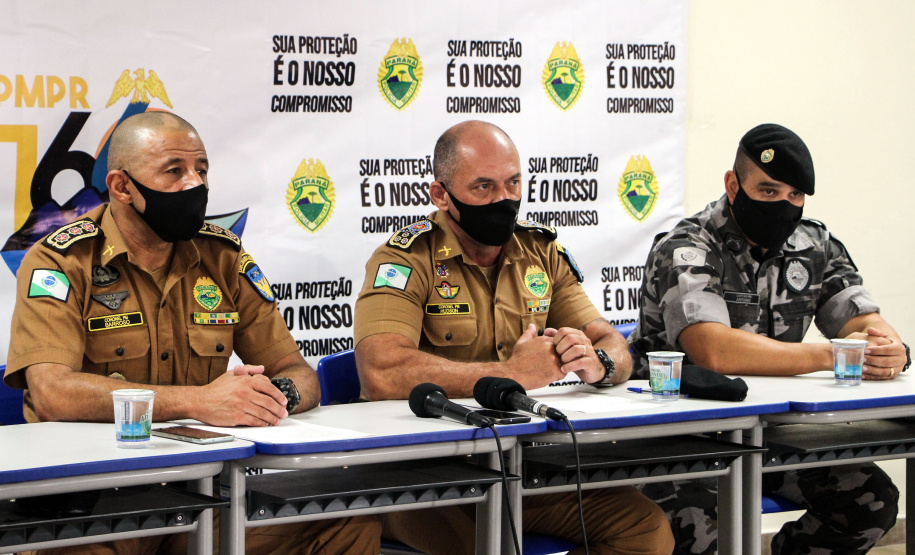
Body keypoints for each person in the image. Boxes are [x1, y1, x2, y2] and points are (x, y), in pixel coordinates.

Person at [3, 111, 380, 555]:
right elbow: (52, 391)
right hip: (92, 506)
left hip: (202, 497)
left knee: (345, 522)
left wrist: (269, 397)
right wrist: (200, 403)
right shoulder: (61, 260)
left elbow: (298, 371)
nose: (194, 185)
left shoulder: (222, 256)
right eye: (174, 171)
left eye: (201, 170)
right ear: (123, 186)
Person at [354, 120, 674, 555]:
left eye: (513, 182)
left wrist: (599, 362)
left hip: (526, 467)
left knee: (645, 530)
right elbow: (380, 371)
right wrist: (510, 373)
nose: (503, 199)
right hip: (424, 477)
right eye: (483, 187)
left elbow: (612, 341)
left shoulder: (540, 252)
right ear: (441, 194)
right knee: (490, 546)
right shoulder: (405, 258)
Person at [629, 123, 908, 554]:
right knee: (703, 527)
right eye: (769, 191)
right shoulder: (689, 247)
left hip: (772, 435)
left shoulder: (814, 244)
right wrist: (829, 355)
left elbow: (863, 322)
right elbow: (714, 350)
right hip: (682, 441)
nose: (783, 205)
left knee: (869, 503)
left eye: (794, 195)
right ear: (733, 184)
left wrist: (888, 350)